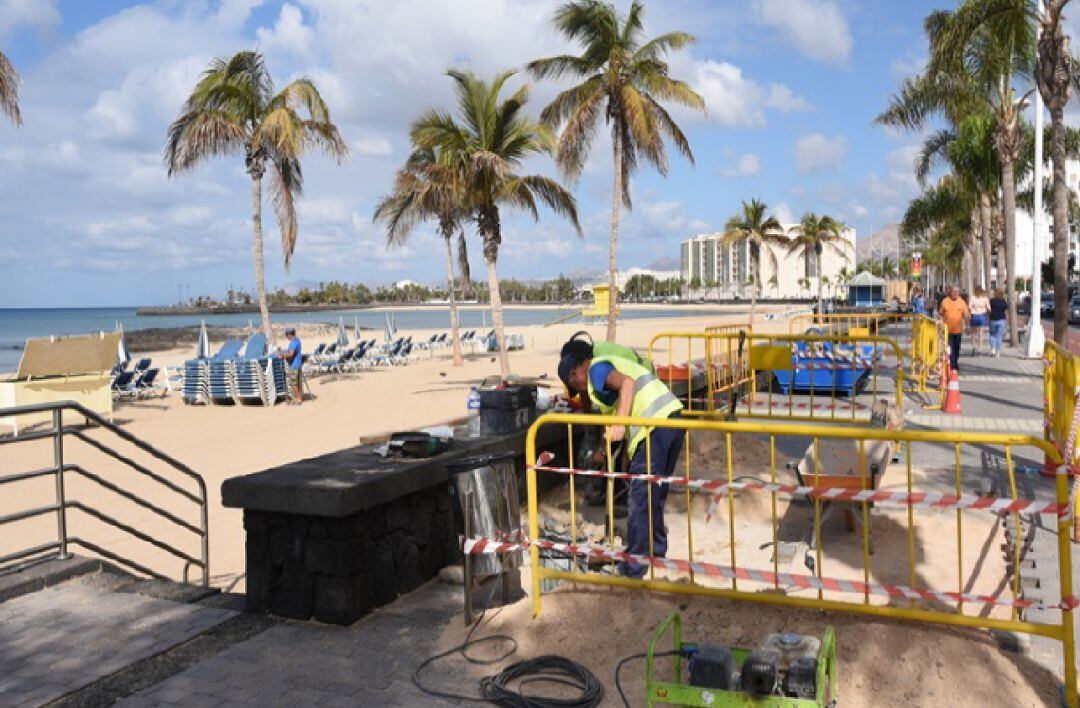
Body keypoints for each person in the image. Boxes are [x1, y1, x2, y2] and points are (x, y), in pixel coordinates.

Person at [558, 346, 683, 578]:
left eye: (573, 384)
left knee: (640, 496)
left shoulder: (596, 369)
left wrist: (620, 422)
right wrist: (618, 453)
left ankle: (634, 566)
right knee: (655, 493)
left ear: (575, 373)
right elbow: (623, 404)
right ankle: (656, 551)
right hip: (672, 418)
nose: (577, 389)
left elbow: (627, 384)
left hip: (654, 426)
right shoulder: (604, 373)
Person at [939, 286, 970, 373]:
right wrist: (940, 326)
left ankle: (955, 362)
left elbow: (966, 315)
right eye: (954, 291)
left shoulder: (962, 302)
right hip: (947, 330)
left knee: (957, 349)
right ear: (950, 292)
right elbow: (941, 314)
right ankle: (952, 366)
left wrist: (967, 327)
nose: (955, 293)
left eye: (957, 292)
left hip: (958, 330)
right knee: (950, 349)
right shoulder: (945, 301)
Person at [283, 327, 303, 405]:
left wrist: (283, 356)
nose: (286, 337)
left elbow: (291, 354)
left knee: (294, 383)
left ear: (289, 334)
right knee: (298, 382)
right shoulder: (297, 340)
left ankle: (298, 399)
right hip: (298, 364)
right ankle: (299, 397)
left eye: (286, 335)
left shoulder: (293, 342)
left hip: (294, 365)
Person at [968, 287, 990, 355]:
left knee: (973, 333)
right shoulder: (985, 298)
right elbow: (989, 308)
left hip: (974, 315)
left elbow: (969, 307)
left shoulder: (972, 298)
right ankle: (980, 347)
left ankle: (974, 346)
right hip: (982, 316)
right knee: (981, 333)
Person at [988, 288, 1008, 357]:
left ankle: (992, 349)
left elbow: (989, 310)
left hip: (993, 319)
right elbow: (1005, 312)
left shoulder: (991, 301)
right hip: (1001, 320)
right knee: (999, 336)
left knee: (992, 335)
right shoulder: (1004, 302)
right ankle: (998, 352)